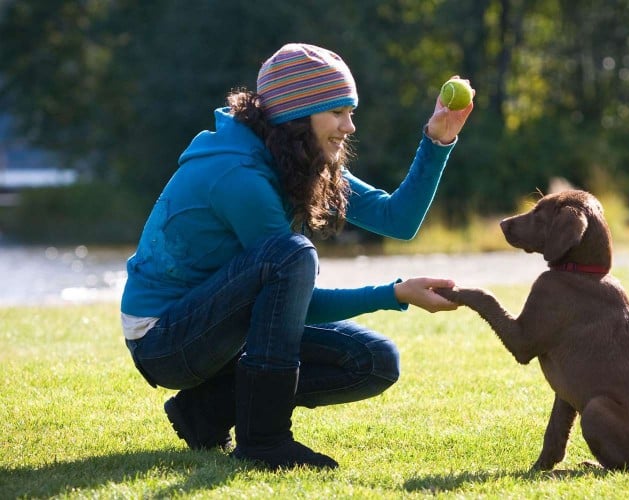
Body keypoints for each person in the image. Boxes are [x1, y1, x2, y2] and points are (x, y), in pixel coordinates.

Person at [120, 43, 474, 470]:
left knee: (374, 362)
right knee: (291, 255)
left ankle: (206, 410)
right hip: (165, 339)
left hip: (222, 330)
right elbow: (297, 298)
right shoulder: (240, 175)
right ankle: (264, 441)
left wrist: (439, 139)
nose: (350, 126)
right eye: (338, 112)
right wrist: (394, 293)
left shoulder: (297, 156)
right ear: (297, 115)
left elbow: (396, 219)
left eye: (350, 111)